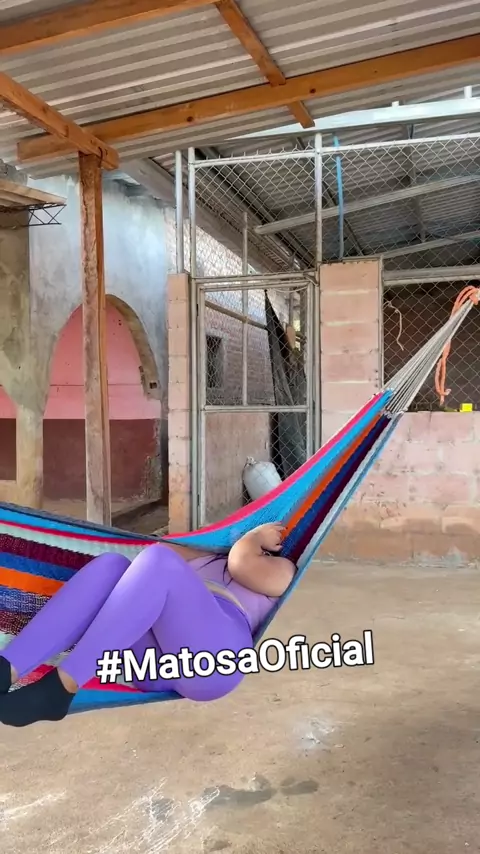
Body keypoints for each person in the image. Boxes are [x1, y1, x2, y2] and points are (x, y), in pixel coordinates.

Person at [0, 522, 296, 728]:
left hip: (216, 661)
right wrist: (212, 541)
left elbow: (241, 564)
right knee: (113, 565)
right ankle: (8, 666)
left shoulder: (281, 568)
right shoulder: (208, 557)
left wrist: (252, 539)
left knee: (159, 561)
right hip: (150, 664)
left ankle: (62, 686)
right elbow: (158, 550)